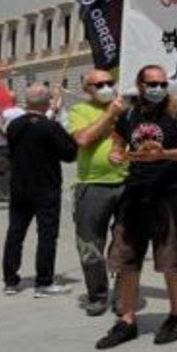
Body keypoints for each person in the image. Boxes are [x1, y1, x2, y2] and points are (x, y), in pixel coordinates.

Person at [96, 65, 177, 350]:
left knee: (171, 258)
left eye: (163, 83)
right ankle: (128, 320)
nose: (158, 88)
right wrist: (116, 157)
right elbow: (116, 147)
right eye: (152, 83)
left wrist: (164, 153)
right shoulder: (129, 113)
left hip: (170, 194)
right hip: (136, 193)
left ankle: (176, 315)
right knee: (127, 257)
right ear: (140, 85)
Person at [1, 84, 78, 297]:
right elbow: (70, 153)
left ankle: (10, 280)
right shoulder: (50, 127)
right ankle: (44, 281)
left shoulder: (14, 125)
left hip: (19, 187)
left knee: (15, 233)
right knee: (46, 235)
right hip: (46, 187)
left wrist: (51, 114)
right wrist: (58, 119)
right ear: (46, 102)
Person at [67, 70, 129, 317]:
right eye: (99, 84)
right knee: (90, 245)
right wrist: (109, 114)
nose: (105, 87)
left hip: (127, 183)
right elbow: (83, 139)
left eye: (109, 83)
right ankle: (98, 294)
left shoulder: (127, 109)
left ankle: (124, 294)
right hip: (92, 186)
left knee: (127, 244)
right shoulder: (79, 111)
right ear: (88, 89)